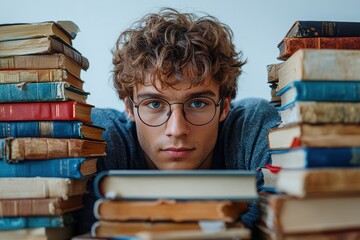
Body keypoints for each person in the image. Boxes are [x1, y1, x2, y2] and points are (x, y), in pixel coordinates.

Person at [76, 8, 280, 234]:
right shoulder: (97, 138)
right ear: (129, 109)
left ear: (224, 107)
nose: (177, 130)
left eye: (198, 104)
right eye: (154, 104)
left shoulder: (253, 127)